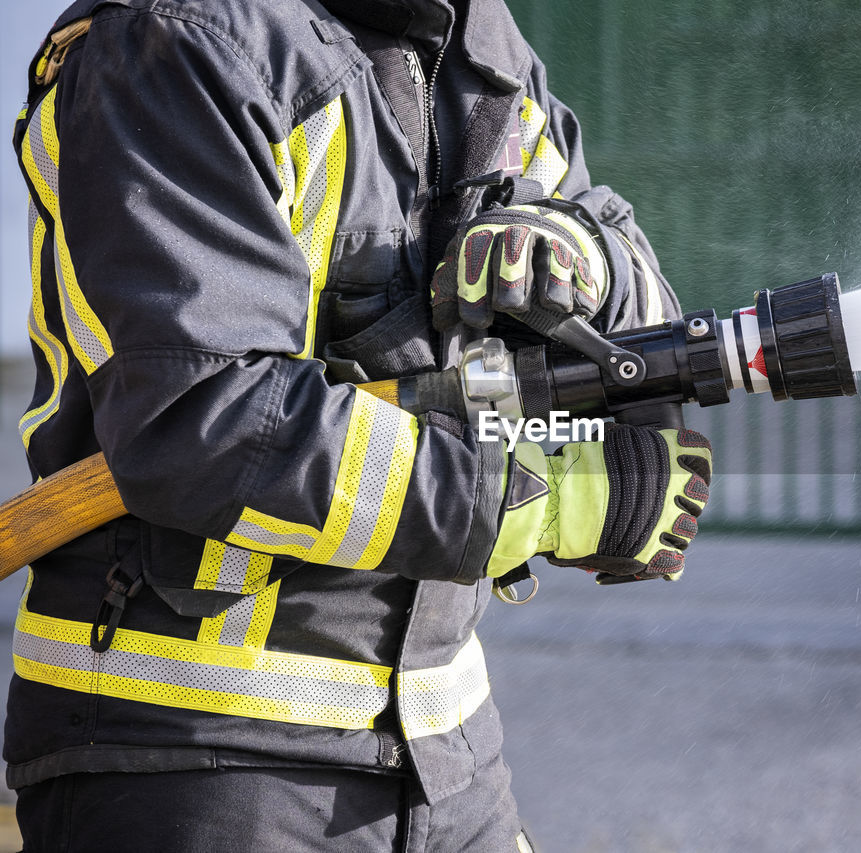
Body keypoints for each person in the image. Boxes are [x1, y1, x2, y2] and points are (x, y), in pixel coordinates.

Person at [7, 0, 713, 849]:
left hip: (446, 744)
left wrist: (583, 259)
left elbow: (625, 308)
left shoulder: (476, 44)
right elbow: (205, 421)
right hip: (195, 753)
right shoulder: (177, 40)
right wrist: (524, 505)